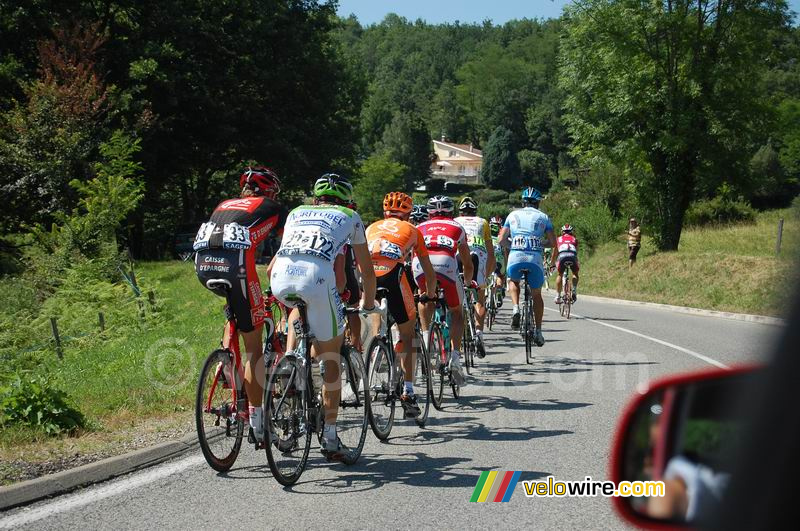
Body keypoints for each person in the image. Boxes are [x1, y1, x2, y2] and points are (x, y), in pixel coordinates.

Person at [268, 173, 376, 460]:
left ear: (316, 199)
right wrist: (367, 304)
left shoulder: (295, 212)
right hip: (317, 279)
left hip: (280, 278)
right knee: (331, 360)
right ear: (345, 200)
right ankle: (329, 437)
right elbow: (364, 270)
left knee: (296, 307)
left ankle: (291, 358)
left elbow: (270, 268)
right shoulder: (350, 215)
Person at [194, 166, 287, 446]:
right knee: (254, 348)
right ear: (269, 190)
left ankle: (226, 360)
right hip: (237, 267)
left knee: (236, 309)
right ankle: (259, 422)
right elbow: (289, 249)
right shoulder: (273, 206)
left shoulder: (223, 204)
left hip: (202, 266)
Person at [365, 192, 437, 418]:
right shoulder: (414, 231)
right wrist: (430, 293)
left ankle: (378, 346)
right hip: (392, 275)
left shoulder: (371, 227)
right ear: (408, 215)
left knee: (377, 314)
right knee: (409, 333)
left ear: (384, 213)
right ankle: (408, 390)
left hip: (365, 276)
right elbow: (427, 269)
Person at [412, 195, 474, 385]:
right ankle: (455, 358)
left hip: (421, 266)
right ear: (451, 211)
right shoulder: (457, 227)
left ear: (429, 212)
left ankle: (425, 338)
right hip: (446, 265)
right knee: (457, 312)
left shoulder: (419, 227)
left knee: (425, 298)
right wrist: (469, 282)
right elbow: (467, 263)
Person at [497, 187, 557, 347]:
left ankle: (516, 308)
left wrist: (513, 245)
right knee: (537, 295)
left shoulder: (512, 215)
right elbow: (553, 243)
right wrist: (540, 244)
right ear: (537, 203)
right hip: (535, 257)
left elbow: (501, 239)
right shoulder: (544, 217)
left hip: (516, 255)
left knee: (513, 281)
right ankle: (538, 331)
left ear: (522, 202)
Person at [454, 196, 496, 358]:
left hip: (459, 254)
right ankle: (478, 332)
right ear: (474, 211)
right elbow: (491, 252)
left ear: (461, 212)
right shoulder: (483, 222)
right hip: (478, 255)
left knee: (456, 300)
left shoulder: (455, 221)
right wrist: (488, 272)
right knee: (479, 298)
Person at [334, 200, 363, 351]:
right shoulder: (351, 231)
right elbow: (359, 264)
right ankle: (355, 346)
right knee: (353, 309)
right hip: (345, 272)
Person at [554, 224, 580, 304]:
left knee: (560, 274)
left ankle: (558, 296)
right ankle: (574, 291)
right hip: (572, 256)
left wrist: (552, 263)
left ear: (562, 232)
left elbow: (555, 253)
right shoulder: (575, 239)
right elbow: (576, 252)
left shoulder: (558, 239)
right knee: (575, 273)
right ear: (571, 232)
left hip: (562, 257)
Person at [489, 215, 506, 308]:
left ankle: (485, 293)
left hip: (488, 258)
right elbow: (505, 252)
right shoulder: (502, 236)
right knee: (500, 275)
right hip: (499, 258)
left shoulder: (486, 234)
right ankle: (499, 290)